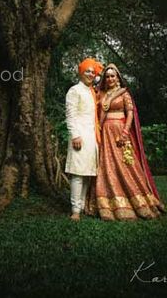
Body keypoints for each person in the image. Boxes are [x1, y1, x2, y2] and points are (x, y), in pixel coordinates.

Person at [87, 63, 166, 221]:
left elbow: (129, 114)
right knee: (106, 165)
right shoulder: (101, 94)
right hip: (104, 133)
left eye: (112, 76)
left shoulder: (124, 94)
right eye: (107, 76)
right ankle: (107, 205)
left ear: (117, 78)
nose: (110, 78)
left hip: (120, 132)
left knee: (126, 165)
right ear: (105, 78)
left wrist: (125, 132)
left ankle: (137, 201)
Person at [65, 58, 101, 220]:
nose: (91, 74)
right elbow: (70, 115)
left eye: (93, 72)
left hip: (92, 136)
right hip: (80, 136)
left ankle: (81, 206)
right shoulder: (75, 90)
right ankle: (75, 210)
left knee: (87, 173)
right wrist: (75, 135)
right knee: (77, 173)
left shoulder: (92, 91)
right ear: (81, 72)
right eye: (87, 71)